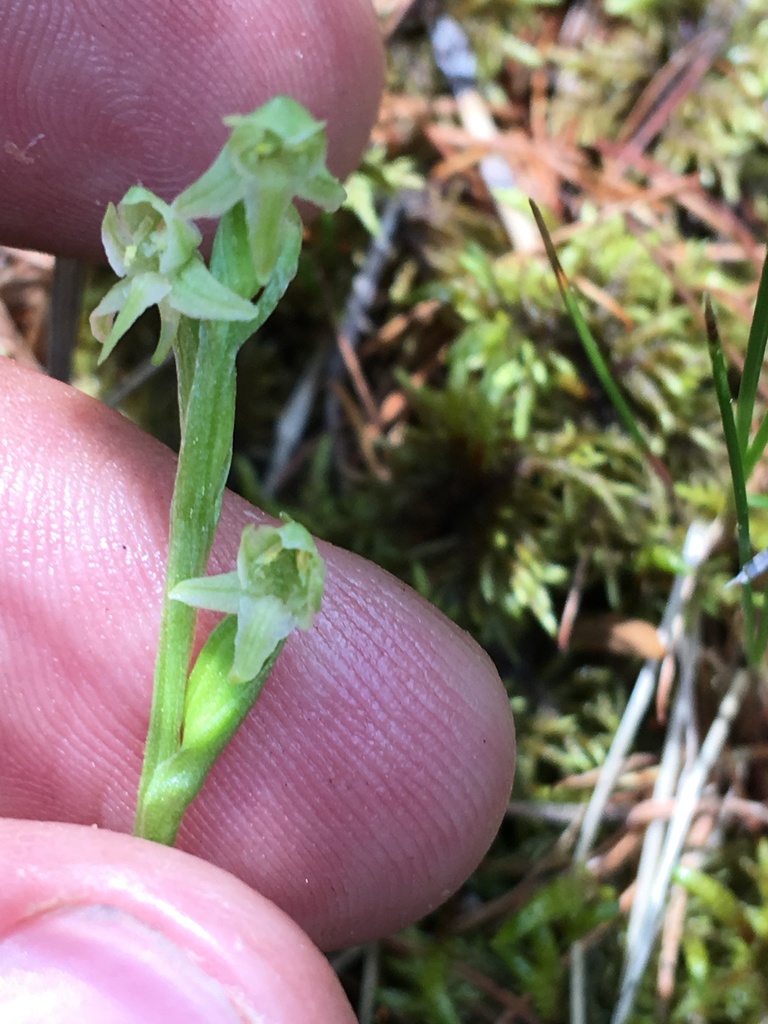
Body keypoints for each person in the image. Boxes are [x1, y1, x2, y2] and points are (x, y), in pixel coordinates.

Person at [0, 1, 516, 1019]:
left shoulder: (249, 254)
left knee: (175, 755)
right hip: (202, 312)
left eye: (289, 569)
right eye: (260, 148)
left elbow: (238, 303)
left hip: (218, 351)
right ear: (237, 153)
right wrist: (175, 271)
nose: (275, 157)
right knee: (162, 760)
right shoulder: (199, 247)